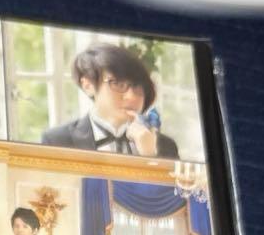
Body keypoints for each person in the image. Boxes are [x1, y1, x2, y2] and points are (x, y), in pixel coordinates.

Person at [41, 43, 180, 159]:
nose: (131, 96)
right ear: (87, 85)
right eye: (118, 84)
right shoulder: (57, 141)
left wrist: (150, 157)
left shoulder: (165, 146)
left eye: (138, 87)